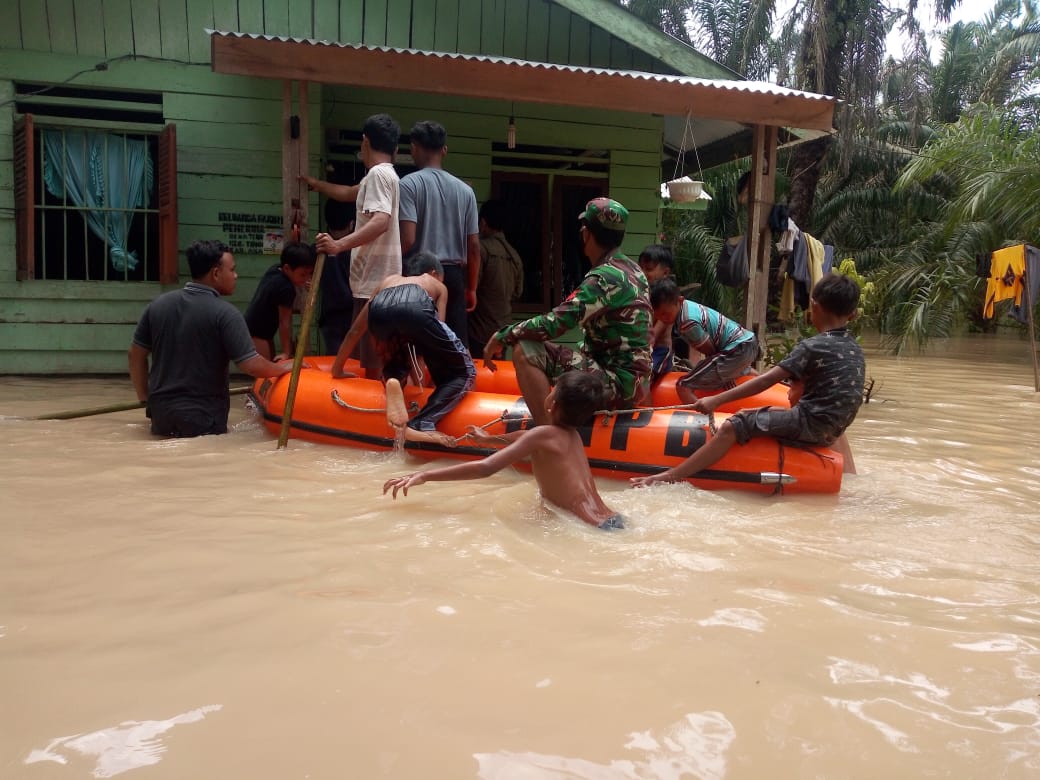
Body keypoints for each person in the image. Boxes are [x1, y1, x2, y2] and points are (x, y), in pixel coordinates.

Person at [631, 273, 865, 487]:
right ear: (852, 314)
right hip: (834, 429)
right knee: (784, 412)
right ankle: (851, 478)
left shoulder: (812, 346)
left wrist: (716, 400)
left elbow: (766, 381)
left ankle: (667, 477)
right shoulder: (855, 349)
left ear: (813, 306)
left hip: (811, 424)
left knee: (735, 424)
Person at [483, 197, 652, 426]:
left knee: (525, 348)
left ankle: (548, 434)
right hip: (634, 383)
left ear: (586, 233)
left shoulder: (604, 278)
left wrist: (504, 335)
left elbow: (555, 323)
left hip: (616, 387)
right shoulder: (634, 270)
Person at [382, 370, 624, 530]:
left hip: (591, 527)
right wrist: (490, 440)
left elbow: (486, 468)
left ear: (553, 402)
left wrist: (425, 475)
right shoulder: (571, 437)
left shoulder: (543, 435)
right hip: (610, 519)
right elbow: (527, 438)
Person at [128, 240, 293, 437]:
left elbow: (135, 356)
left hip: (161, 415)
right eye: (232, 270)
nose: (236, 276)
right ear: (215, 274)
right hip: (203, 417)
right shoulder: (226, 314)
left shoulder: (157, 305)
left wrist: (145, 398)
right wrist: (282, 369)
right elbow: (250, 365)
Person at [332, 253, 475, 446]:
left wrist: (338, 368)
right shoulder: (437, 285)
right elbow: (436, 336)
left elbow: (355, 331)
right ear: (434, 273)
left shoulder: (389, 281)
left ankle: (392, 379)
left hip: (380, 313)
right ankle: (421, 424)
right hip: (417, 309)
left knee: (397, 355)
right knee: (465, 373)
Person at [314, 113, 402, 379]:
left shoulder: (376, 175)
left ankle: (372, 415)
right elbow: (347, 193)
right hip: (382, 279)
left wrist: (338, 245)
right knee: (378, 358)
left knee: (374, 364)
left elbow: (380, 221)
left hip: (373, 281)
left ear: (365, 141)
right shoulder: (387, 175)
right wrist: (313, 183)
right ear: (395, 148)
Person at [399, 120, 480, 348]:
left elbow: (407, 240)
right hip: (452, 276)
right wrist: (471, 287)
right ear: (444, 150)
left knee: (416, 344)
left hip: (418, 274)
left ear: (414, 147)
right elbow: (474, 247)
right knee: (454, 346)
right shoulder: (466, 192)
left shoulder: (408, 185)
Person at [649, 277, 760, 402]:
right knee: (703, 370)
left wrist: (722, 377)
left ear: (679, 301)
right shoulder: (687, 306)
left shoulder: (687, 322)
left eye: (665, 314)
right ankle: (753, 376)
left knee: (683, 386)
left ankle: (699, 418)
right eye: (657, 315)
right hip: (747, 343)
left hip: (736, 349)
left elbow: (710, 351)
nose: (662, 318)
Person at [468, 199, 524, 358]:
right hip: (503, 331)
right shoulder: (515, 256)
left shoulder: (481, 250)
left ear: (483, 223)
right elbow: (517, 293)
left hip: (478, 332)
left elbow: (472, 286)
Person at [243, 241, 316, 360]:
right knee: (265, 374)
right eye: (303, 275)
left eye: (310, 274)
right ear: (287, 268)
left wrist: (302, 281)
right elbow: (284, 322)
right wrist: (286, 353)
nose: (307, 278)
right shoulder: (286, 289)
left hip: (252, 329)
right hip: (257, 335)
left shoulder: (275, 269)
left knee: (267, 371)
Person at [317, 200, 357, 356]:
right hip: (351, 317)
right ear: (352, 224)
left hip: (330, 320)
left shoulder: (320, 249)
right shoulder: (356, 251)